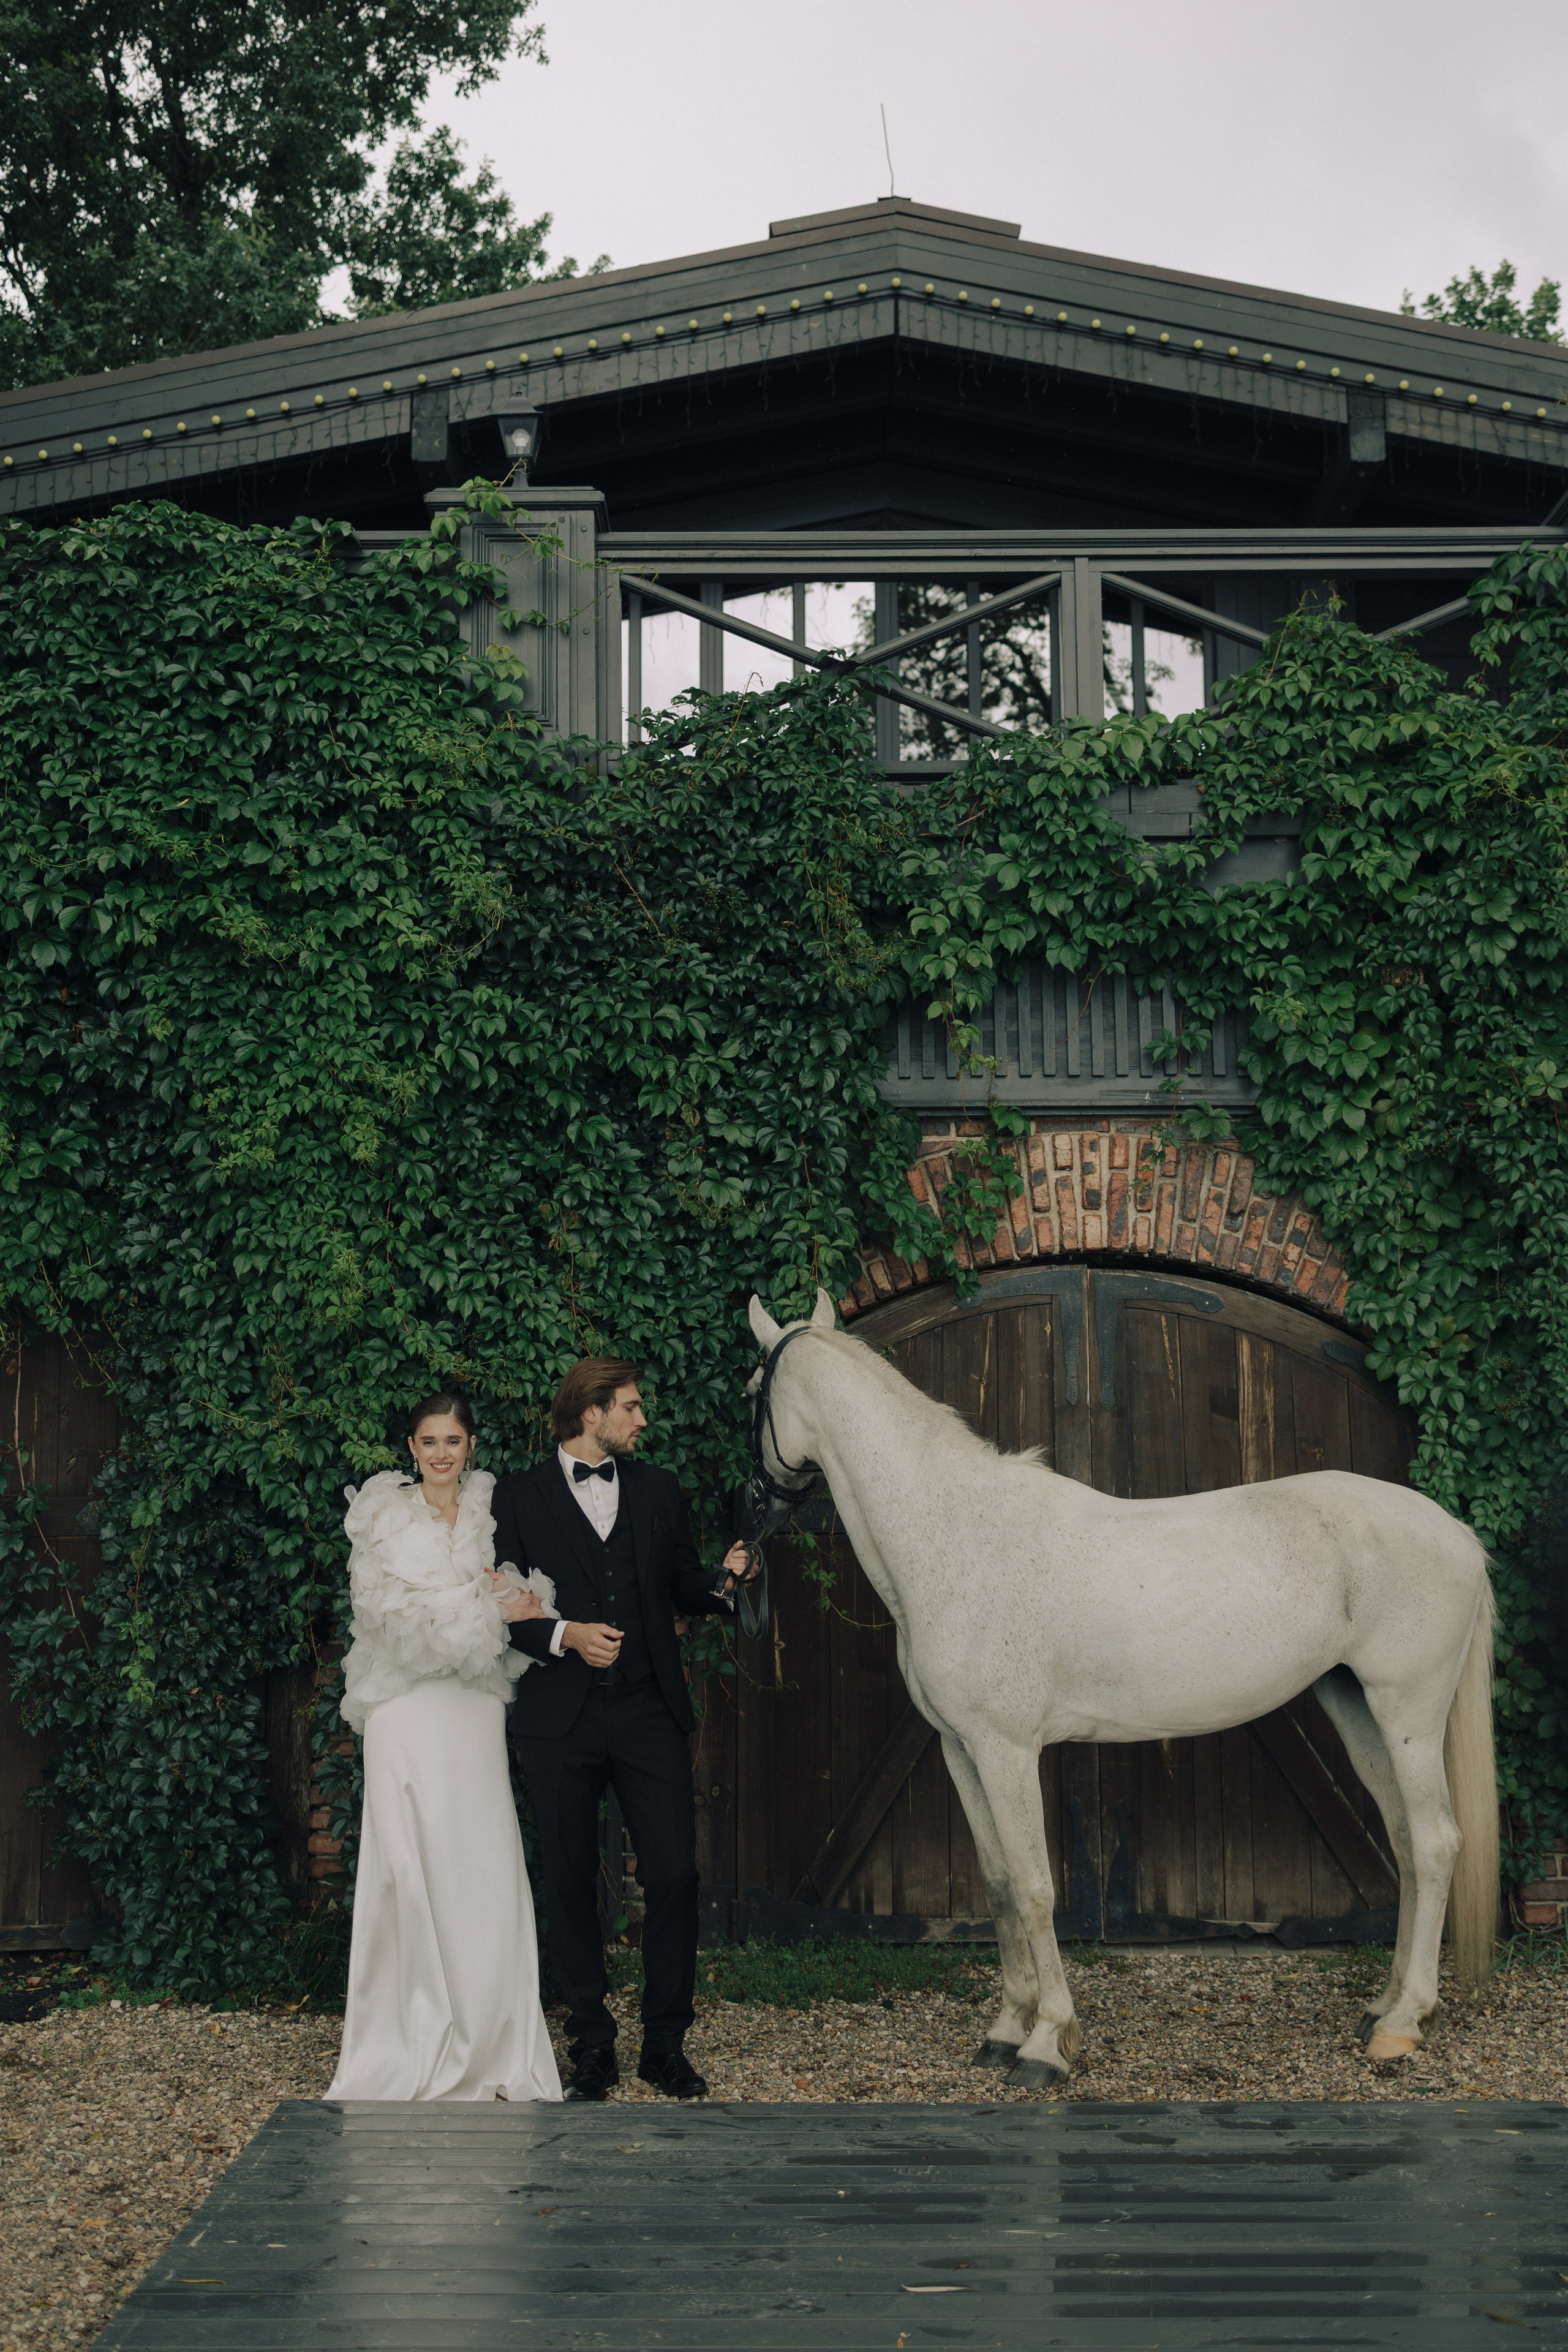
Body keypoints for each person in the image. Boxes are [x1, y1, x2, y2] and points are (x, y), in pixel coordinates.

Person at [493, 1358, 754, 2102]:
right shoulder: (517, 1496)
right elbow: (500, 1603)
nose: (642, 1420)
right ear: (589, 1413)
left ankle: (665, 2045)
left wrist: (721, 1579)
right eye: (631, 1408)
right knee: (571, 1881)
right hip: (558, 1719)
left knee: (674, 1873)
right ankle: (592, 2046)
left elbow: (677, 1583)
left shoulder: (657, 1488)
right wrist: (565, 1635)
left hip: (647, 1711)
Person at [324, 1393, 563, 2105]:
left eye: (452, 1440)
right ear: (410, 1446)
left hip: (472, 1707)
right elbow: (389, 1620)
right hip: (405, 1706)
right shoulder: (381, 1515)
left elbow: (522, 1596)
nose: (440, 1453)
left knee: (482, 1856)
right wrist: (484, 1606)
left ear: (470, 1446)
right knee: (409, 1860)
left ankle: (492, 2035)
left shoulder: (494, 1511)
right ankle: (407, 2036)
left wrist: (519, 1603)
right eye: (428, 1440)